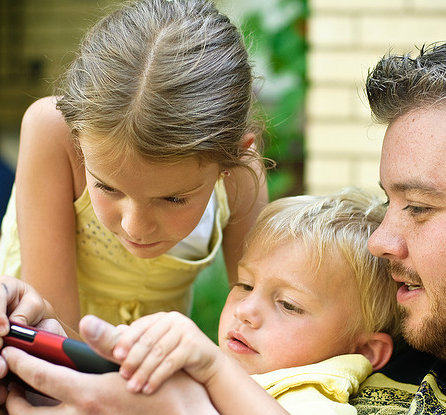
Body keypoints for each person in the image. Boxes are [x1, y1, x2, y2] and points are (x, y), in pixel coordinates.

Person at [1, 25, 446, 415]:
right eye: (388, 201)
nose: (381, 241)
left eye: (419, 207)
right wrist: (44, 337)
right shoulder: (404, 316)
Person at [0, 0, 268, 334]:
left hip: (150, 374)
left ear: (231, 159)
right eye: (107, 187)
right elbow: (54, 338)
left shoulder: (241, 175)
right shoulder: (53, 132)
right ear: (78, 137)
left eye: (173, 199)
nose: (136, 228)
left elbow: (258, 329)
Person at [102, 187, 401, 415]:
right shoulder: (248, 369)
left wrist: (213, 369)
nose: (245, 310)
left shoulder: (312, 395)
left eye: (288, 305)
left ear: (363, 351)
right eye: (244, 285)